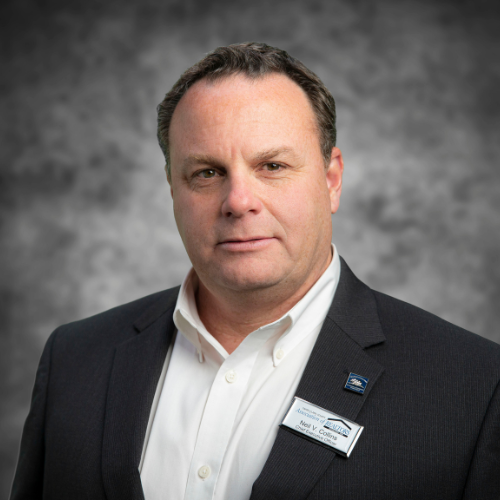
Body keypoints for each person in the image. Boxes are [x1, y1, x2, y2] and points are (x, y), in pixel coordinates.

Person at [10, 42, 500, 500]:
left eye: (272, 166)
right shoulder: (75, 359)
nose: (239, 201)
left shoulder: (473, 388)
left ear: (331, 180)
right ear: (172, 188)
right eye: (207, 172)